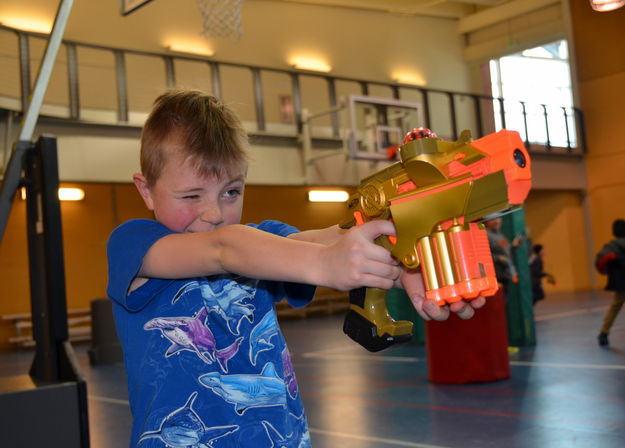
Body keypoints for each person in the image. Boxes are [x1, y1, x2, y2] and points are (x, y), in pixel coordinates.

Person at [106, 89, 485, 448]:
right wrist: (326, 263)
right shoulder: (135, 245)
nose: (214, 213)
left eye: (231, 192)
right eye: (191, 196)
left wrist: (403, 262)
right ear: (146, 190)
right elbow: (224, 249)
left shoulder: (263, 242)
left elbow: (328, 239)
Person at [595, 219, 625, 347]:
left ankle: (603, 333)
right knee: (615, 307)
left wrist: (606, 271)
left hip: (620, 283)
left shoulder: (611, 246)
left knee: (614, 308)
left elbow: (600, 261)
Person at [485, 217, 522, 296]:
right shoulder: (485, 234)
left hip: (505, 274)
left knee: (505, 302)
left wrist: (513, 246)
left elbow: (506, 251)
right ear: (486, 221)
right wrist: (498, 258)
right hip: (496, 276)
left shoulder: (500, 234)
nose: (496, 221)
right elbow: (483, 254)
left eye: (498, 218)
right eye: (492, 219)